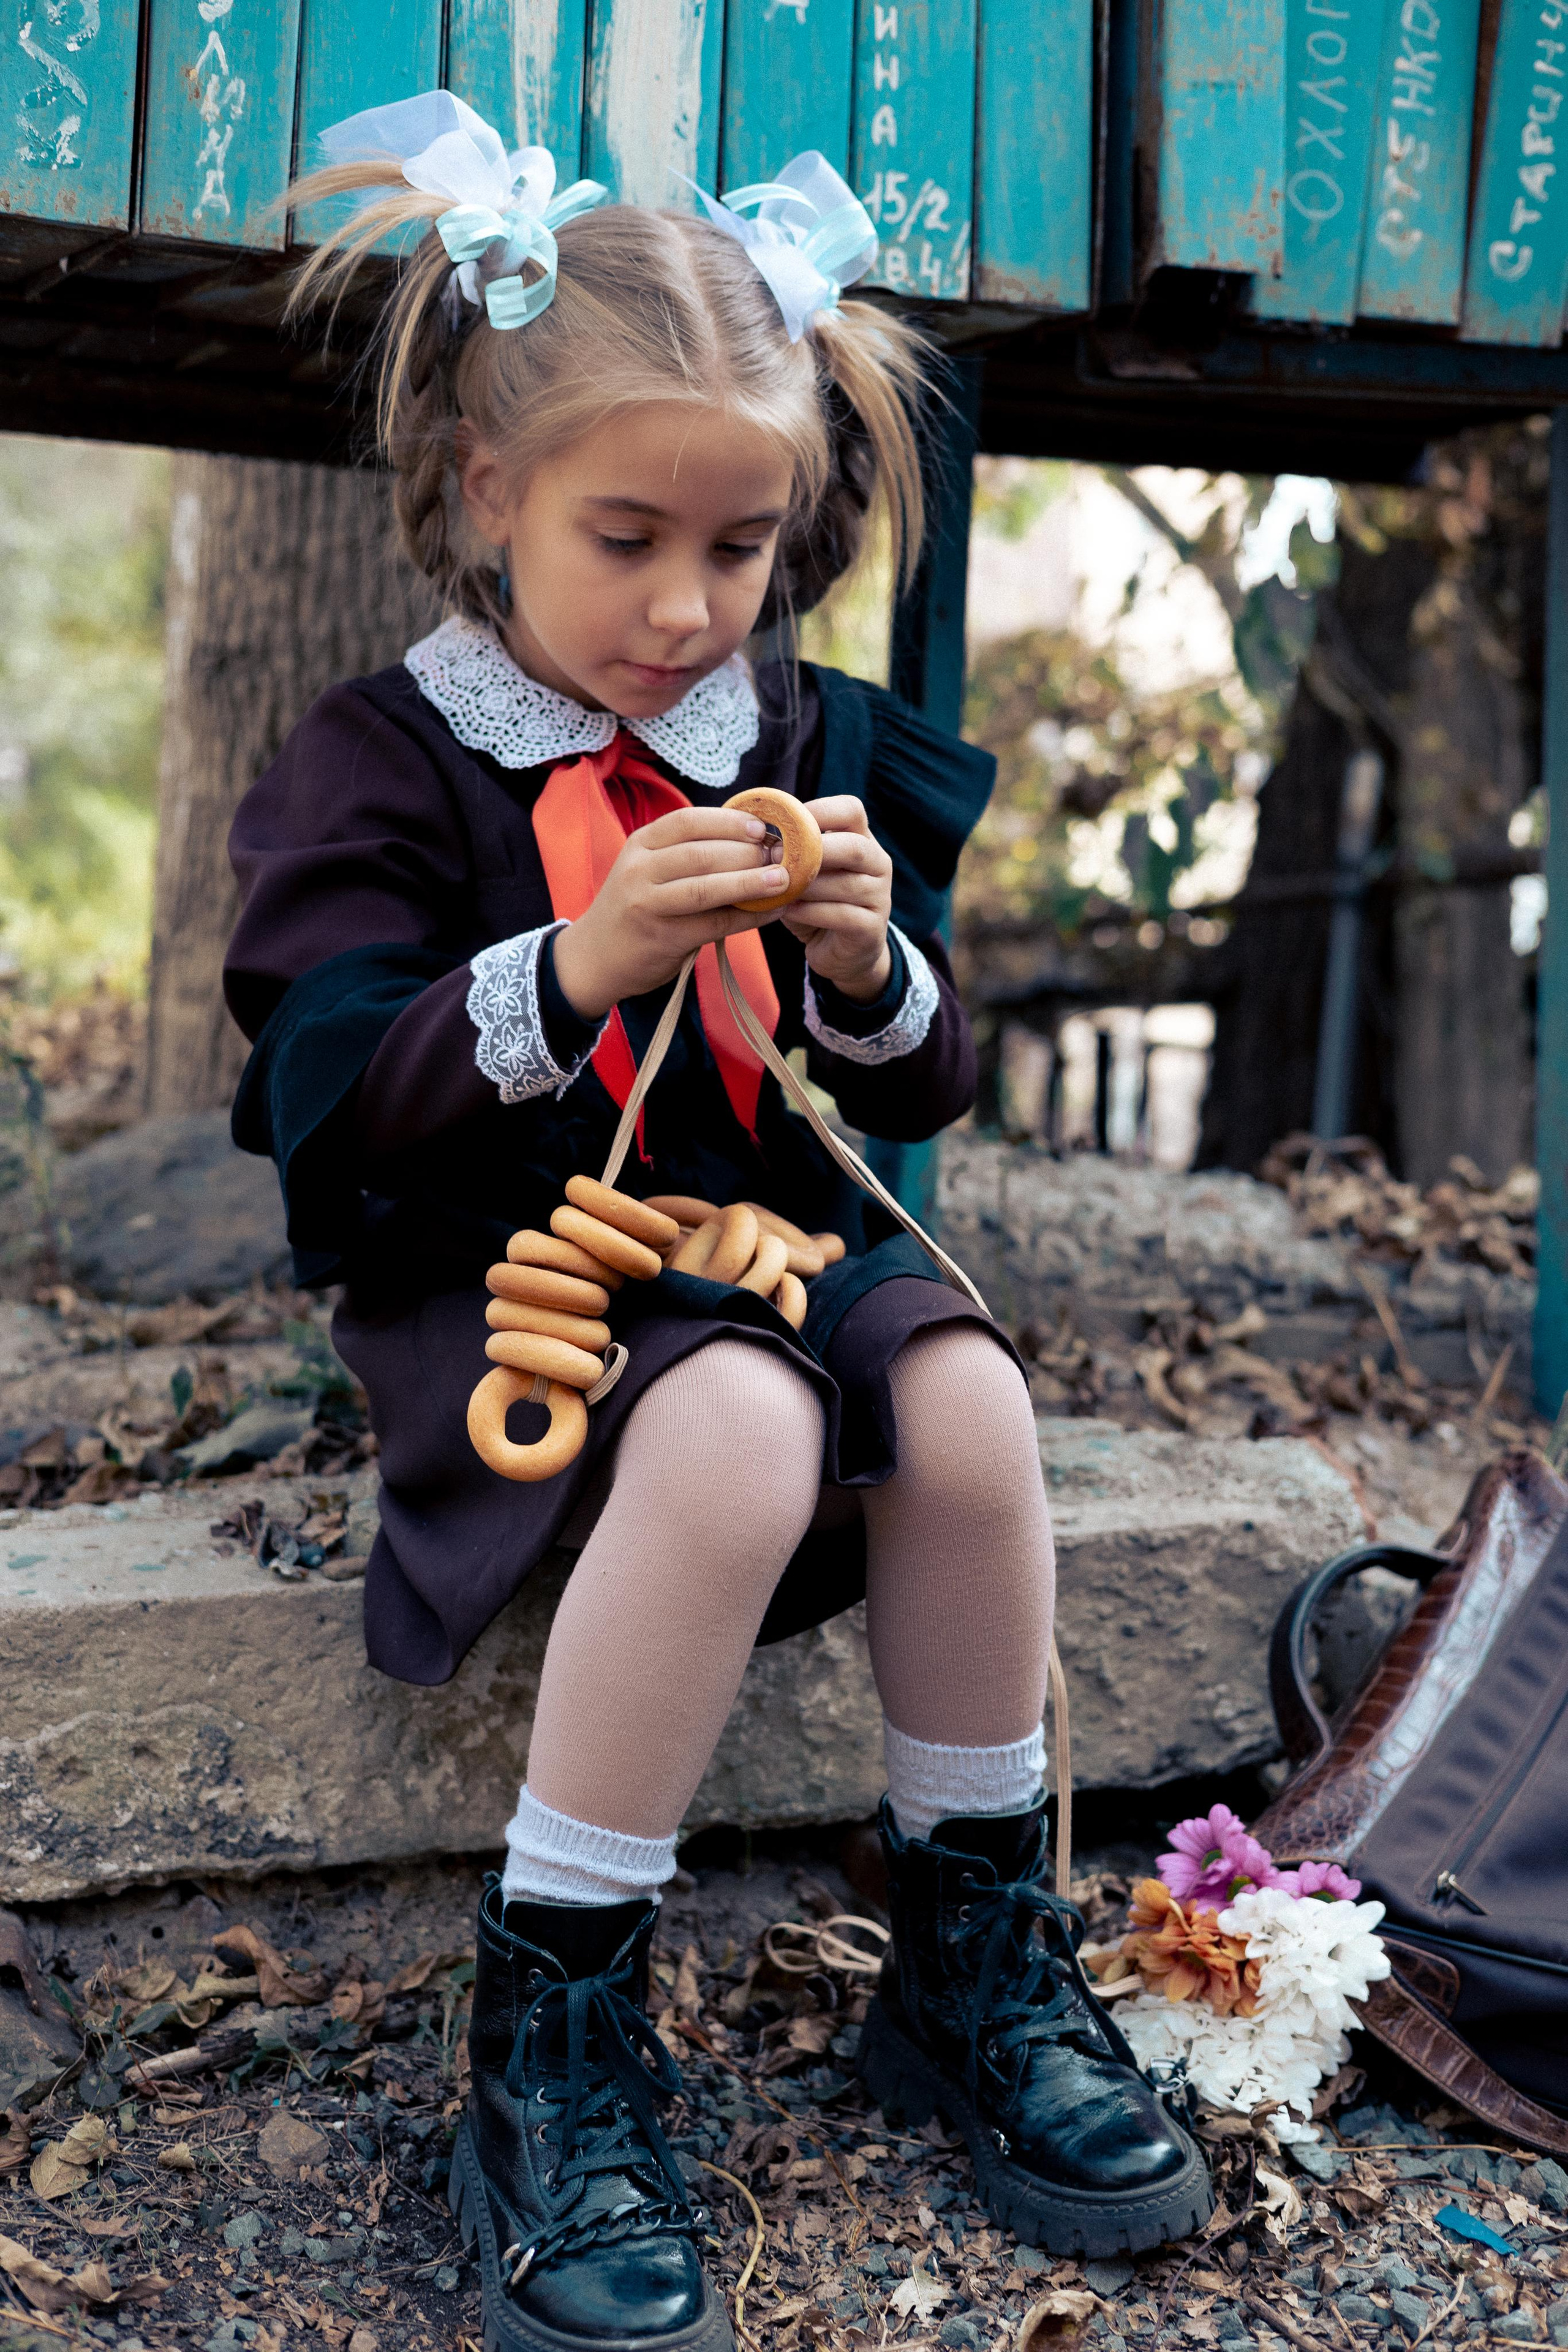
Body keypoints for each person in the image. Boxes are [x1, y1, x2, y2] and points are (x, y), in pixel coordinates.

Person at [227, 91, 1210, 2352]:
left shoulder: (797, 732)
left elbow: (919, 1087)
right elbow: (331, 1108)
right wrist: (574, 968)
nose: (689, 608)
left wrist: (865, 966)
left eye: (743, 548)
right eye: (629, 538)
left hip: (761, 1247)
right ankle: (556, 2024)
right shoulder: (392, 759)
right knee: (752, 1426)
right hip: (512, 1280)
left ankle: (971, 1947)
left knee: (964, 1394)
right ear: (487, 489)